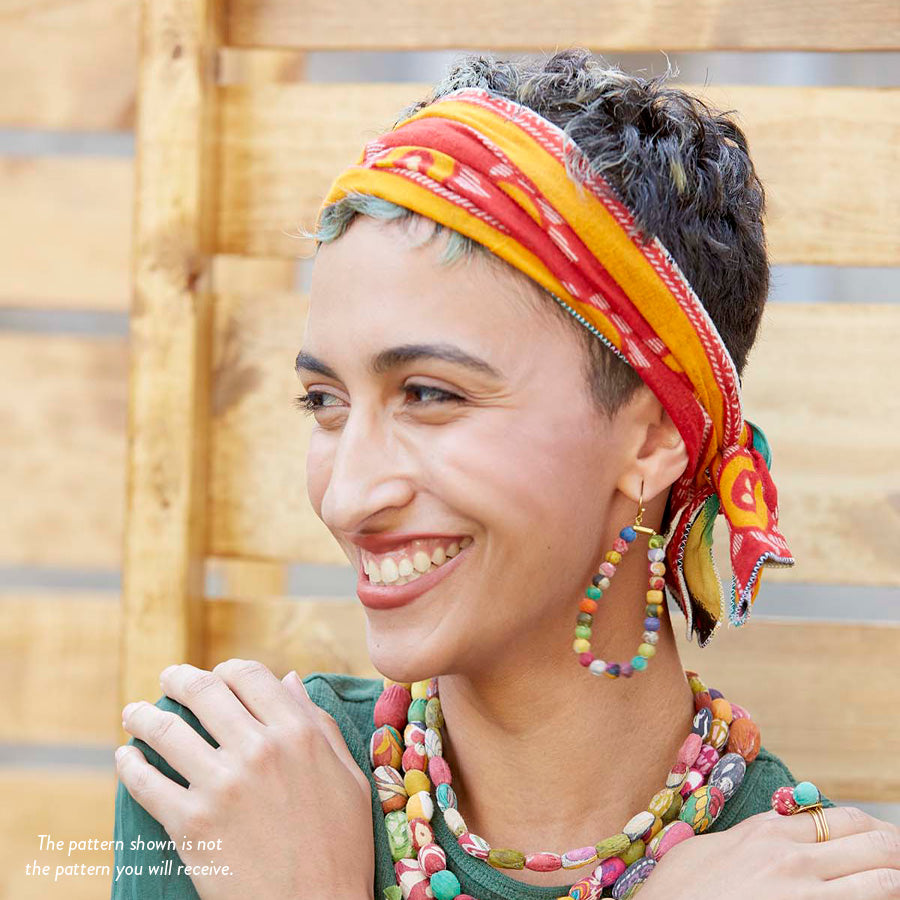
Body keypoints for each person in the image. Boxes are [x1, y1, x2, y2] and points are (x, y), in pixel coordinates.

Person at [110, 50, 900, 900]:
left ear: (651, 440)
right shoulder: (226, 790)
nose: (346, 497)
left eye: (429, 394)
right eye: (325, 402)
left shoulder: (819, 882)